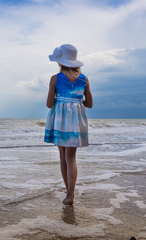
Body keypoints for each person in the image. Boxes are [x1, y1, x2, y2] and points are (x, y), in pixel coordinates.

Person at [44, 44, 93, 205]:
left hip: (60, 120)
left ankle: (69, 192)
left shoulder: (55, 78)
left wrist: (63, 101)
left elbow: (49, 104)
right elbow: (90, 103)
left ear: (60, 61)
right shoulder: (84, 78)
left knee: (62, 156)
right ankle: (70, 193)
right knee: (71, 157)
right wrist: (76, 103)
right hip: (77, 120)